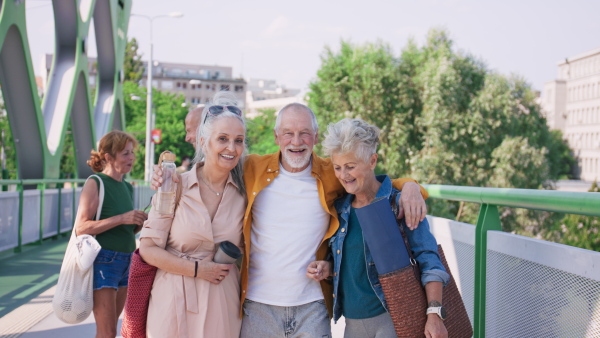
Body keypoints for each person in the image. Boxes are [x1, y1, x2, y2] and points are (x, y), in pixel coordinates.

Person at [153, 103, 429, 337]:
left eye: (304, 134)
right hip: (257, 307)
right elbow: (215, 165)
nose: (296, 142)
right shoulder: (252, 168)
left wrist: (411, 187)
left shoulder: (330, 174)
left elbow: (373, 183)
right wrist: (167, 176)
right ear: (276, 136)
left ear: (316, 137)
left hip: (312, 307)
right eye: (288, 133)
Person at [307, 118, 449, 338]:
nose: (343, 175)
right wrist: (328, 267)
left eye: (351, 167)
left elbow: (429, 258)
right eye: (338, 167)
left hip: (395, 320)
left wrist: (435, 314)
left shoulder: (400, 204)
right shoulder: (341, 209)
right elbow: (353, 260)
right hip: (352, 324)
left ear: (372, 161)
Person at [139, 92, 247, 337]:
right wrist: (198, 269)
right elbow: (148, 249)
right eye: (222, 139)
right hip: (172, 303)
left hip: (222, 305)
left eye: (239, 140)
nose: (231, 148)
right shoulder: (173, 185)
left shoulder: (245, 193)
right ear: (203, 140)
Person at [74, 130, 148, 338]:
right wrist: (123, 218)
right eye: (125, 153)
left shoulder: (127, 187)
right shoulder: (95, 182)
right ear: (108, 157)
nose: (131, 157)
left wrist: (138, 223)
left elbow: (121, 226)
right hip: (104, 261)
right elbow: (81, 227)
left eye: (132, 152)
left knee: (112, 331)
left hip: (127, 260)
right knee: (106, 332)